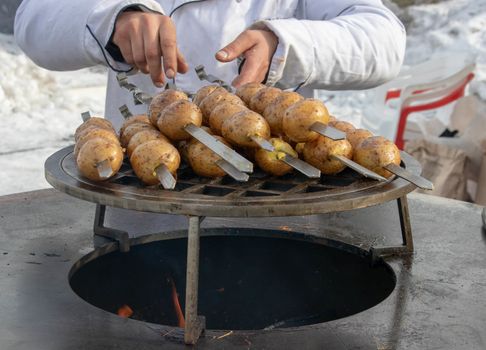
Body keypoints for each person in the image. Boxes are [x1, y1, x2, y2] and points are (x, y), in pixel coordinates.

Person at [14, 0, 406, 236]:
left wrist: (284, 42)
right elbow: (33, 20)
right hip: (145, 196)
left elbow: (383, 39)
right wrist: (113, 17)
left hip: (276, 195)